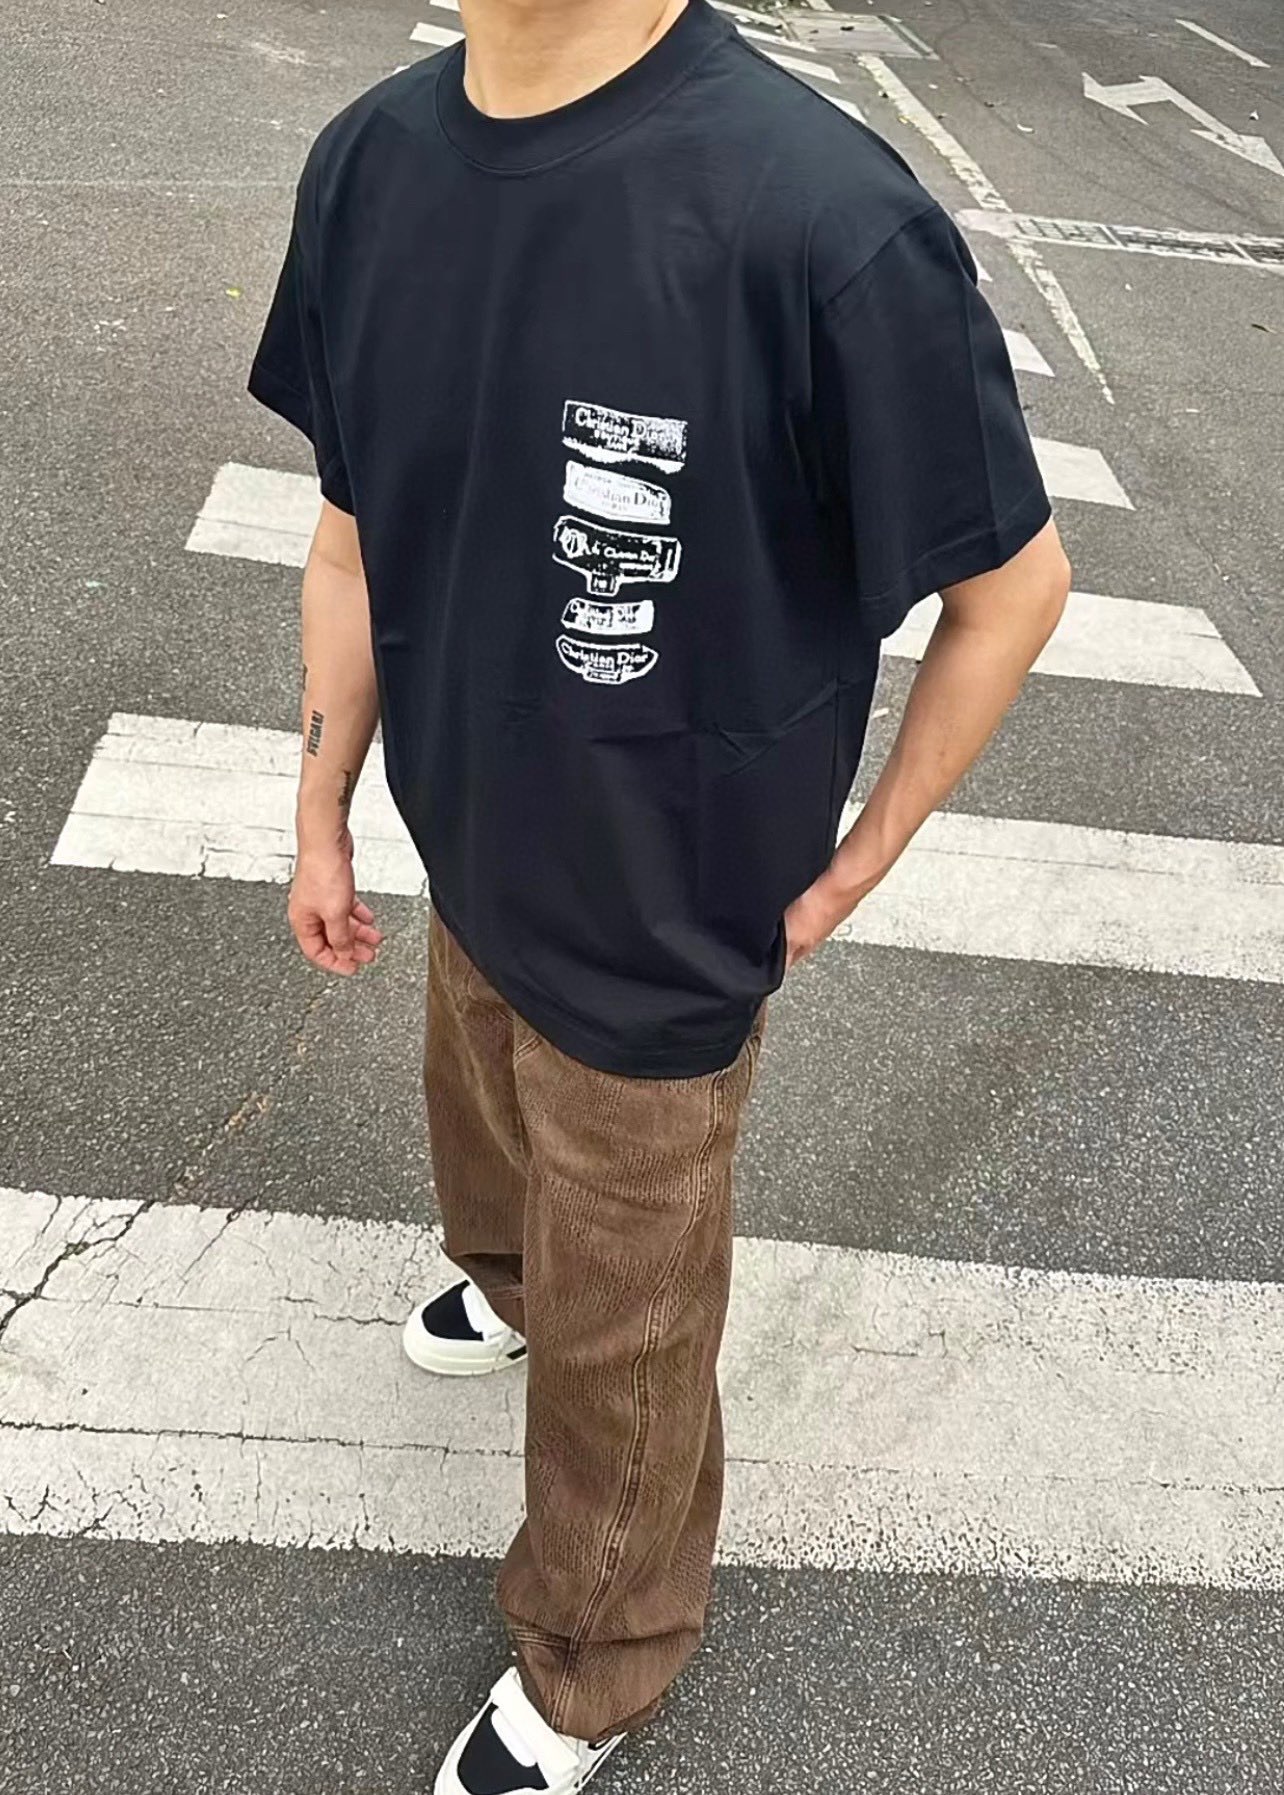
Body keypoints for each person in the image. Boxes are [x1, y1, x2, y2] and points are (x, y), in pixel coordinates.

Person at [247, 0, 1070, 1786]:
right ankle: (507, 1276)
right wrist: (323, 805)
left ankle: (598, 1658)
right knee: (482, 1111)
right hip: (471, 838)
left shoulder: (820, 217)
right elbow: (353, 533)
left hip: (667, 911)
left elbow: (1014, 585)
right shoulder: (372, 164)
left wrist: (865, 855)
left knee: (629, 1332)